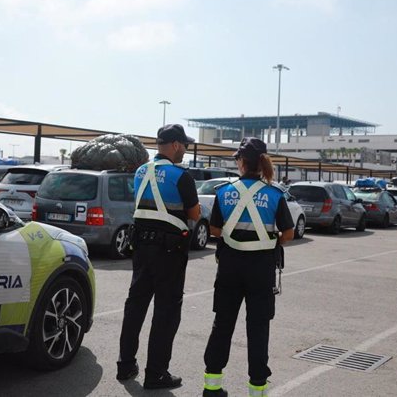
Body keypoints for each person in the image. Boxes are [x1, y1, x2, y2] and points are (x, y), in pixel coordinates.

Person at [202, 137, 294, 397]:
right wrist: (268, 239)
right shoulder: (275, 194)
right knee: (258, 328)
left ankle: (212, 386)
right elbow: (287, 233)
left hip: (230, 267)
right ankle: (257, 390)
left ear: (242, 162)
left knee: (222, 325)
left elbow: (215, 230)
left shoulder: (223, 192)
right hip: (261, 269)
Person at [117, 123, 201, 390]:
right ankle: (156, 374)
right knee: (165, 312)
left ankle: (125, 365)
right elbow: (195, 215)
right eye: (184, 146)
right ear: (175, 145)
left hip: (141, 246)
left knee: (136, 306)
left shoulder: (141, 171)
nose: (185, 151)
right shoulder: (181, 175)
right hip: (169, 251)